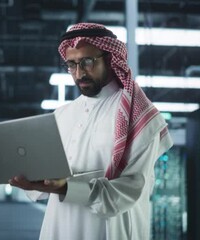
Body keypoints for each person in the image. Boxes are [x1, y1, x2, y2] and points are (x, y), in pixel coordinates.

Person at [9, 23, 173, 240]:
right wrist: (32, 180)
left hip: (109, 230)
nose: (79, 73)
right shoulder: (61, 115)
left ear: (110, 59)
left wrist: (67, 187)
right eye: (71, 64)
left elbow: (129, 191)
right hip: (59, 227)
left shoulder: (140, 115)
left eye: (87, 62)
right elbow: (45, 179)